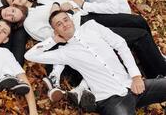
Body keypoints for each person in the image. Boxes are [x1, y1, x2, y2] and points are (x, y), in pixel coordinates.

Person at [25, 9, 166, 115]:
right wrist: (54, 40)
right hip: (111, 100)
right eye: (59, 24)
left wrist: (135, 76)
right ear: (55, 30)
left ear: (71, 20)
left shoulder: (91, 27)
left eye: (65, 19)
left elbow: (120, 44)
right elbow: (30, 55)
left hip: (134, 85)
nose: (64, 24)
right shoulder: (64, 53)